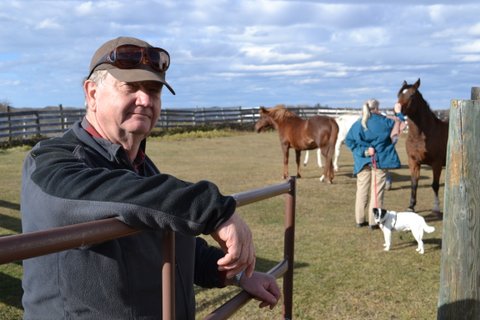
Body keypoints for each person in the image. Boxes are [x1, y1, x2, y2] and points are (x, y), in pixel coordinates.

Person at [20, 36, 281, 319]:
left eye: (154, 90)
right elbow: (114, 192)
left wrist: (239, 274)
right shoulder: (51, 162)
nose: (145, 100)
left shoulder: (141, 167)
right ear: (92, 94)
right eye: (131, 87)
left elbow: (177, 245)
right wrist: (211, 209)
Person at [345, 99, 404, 230]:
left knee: (361, 191)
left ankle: (359, 220)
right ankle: (374, 222)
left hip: (362, 161)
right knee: (377, 192)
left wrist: (364, 151)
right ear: (377, 108)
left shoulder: (358, 123)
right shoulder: (385, 122)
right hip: (380, 162)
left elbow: (348, 141)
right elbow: (400, 124)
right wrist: (398, 112)